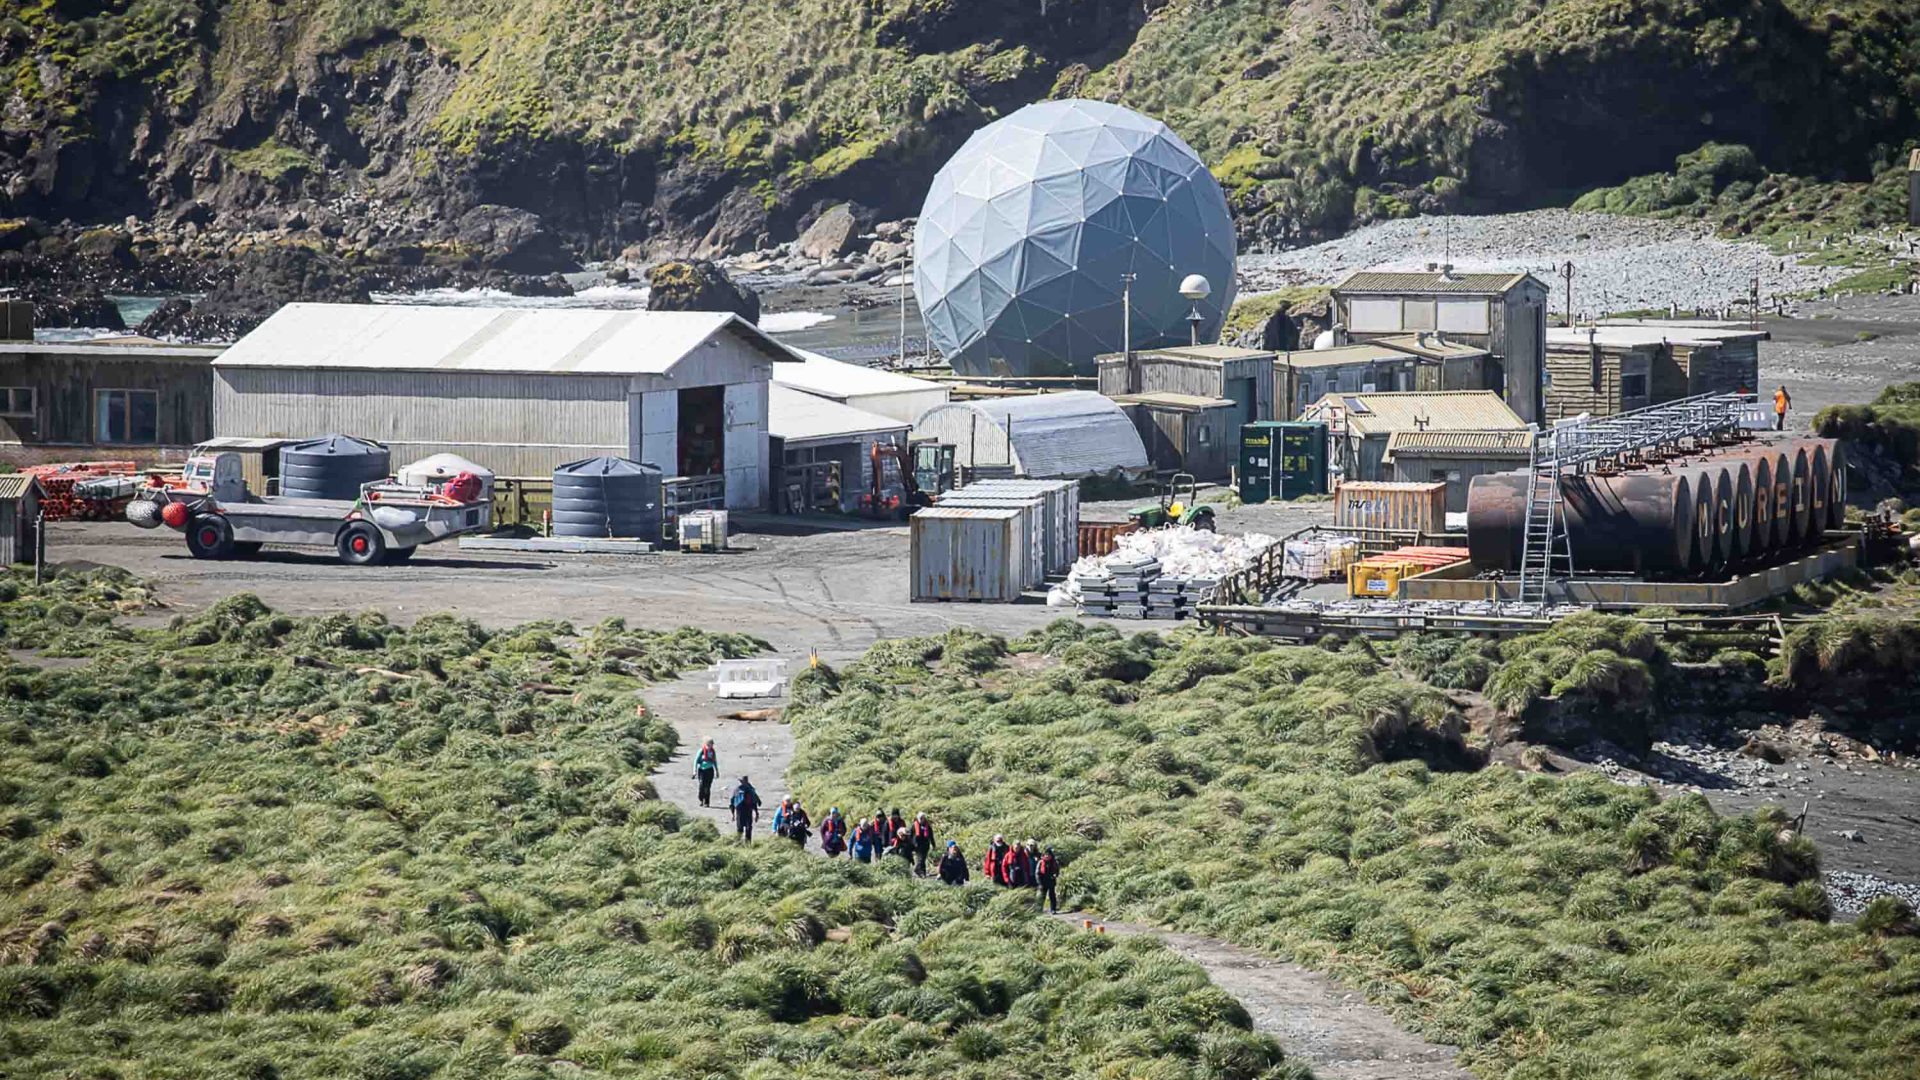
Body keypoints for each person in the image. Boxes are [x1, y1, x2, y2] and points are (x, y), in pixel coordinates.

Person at [728, 776, 761, 841]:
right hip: (740, 810)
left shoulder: (751, 790)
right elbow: (733, 802)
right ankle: (738, 841)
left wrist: (756, 813)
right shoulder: (737, 789)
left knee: (748, 828)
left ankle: (747, 843)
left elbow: (754, 802)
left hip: (748, 810)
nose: (742, 783)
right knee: (740, 827)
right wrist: (733, 814)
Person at [1035, 846, 1060, 913]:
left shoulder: (1054, 862)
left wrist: (1056, 875)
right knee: (1042, 896)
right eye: (1046, 855)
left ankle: (1053, 909)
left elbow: (1057, 871)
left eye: (1048, 855)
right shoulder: (1041, 862)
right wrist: (1039, 883)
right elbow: (1037, 873)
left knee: (1052, 896)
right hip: (1043, 881)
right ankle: (1039, 910)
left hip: (1051, 881)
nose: (1047, 856)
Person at [694, 738, 718, 807]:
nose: (712, 746)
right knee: (701, 786)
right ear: (707, 744)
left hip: (710, 770)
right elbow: (696, 761)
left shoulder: (712, 752)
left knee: (707, 787)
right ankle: (701, 799)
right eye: (711, 744)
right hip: (702, 770)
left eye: (712, 744)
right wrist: (694, 771)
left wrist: (717, 771)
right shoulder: (701, 751)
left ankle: (707, 802)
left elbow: (715, 761)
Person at [909, 812, 935, 877]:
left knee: (923, 859)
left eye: (923, 818)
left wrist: (933, 844)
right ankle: (918, 870)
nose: (922, 819)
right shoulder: (914, 825)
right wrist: (911, 844)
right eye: (921, 818)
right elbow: (910, 835)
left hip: (925, 845)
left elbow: (931, 835)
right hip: (917, 845)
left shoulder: (927, 826)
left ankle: (922, 872)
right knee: (920, 859)